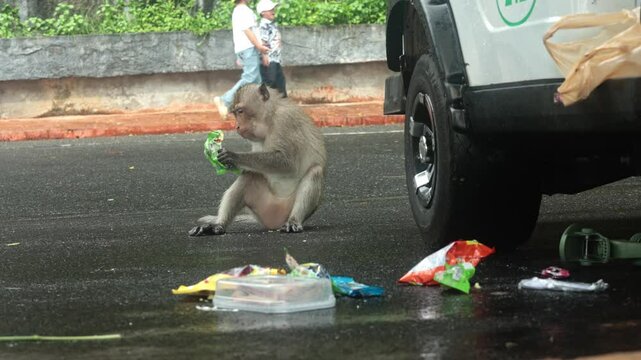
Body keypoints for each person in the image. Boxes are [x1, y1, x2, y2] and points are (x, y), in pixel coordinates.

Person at [214, 0, 269, 118]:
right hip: (248, 48)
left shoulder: (238, 10)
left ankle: (258, 111)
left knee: (257, 81)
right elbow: (248, 30)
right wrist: (259, 46)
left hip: (245, 48)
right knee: (250, 77)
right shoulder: (244, 10)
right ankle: (225, 100)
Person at [256, 0, 287, 97]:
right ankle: (261, 104)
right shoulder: (264, 25)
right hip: (269, 59)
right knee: (270, 82)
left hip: (275, 59)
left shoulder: (271, 24)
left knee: (280, 82)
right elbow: (263, 42)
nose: (273, 10)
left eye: (273, 8)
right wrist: (264, 56)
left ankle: (283, 104)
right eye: (270, 9)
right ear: (263, 13)